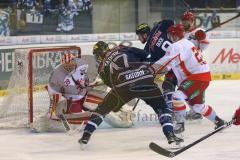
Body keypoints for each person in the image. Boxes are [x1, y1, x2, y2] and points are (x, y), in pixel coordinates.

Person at [78, 41, 183, 149]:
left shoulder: (101, 67)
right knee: (162, 108)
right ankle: (170, 135)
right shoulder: (122, 48)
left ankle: (85, 136)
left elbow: (112, 84)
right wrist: (146, 70)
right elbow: (147, 55)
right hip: (144, 79)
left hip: (122, 86)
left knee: (101, 110)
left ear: (99, 54)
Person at [150, 24, 225, 133]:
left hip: (197, 77)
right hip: (202, 76)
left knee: (177, 96)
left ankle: (180, 125)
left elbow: (166, 61)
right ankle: (219, 121)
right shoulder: (187, 43)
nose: (169, 37)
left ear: (175, 35)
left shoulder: (177, 46)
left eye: (171, 35)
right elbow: (170, 64)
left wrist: (151, 70)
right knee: (198, 107)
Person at [136, 20, 200, 134]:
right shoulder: (160, 26)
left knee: (170, 87)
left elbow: (154, 63)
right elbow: (175, 24)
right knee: (184, 88)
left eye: (139, 36)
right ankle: (195, 109)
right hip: (184, 61)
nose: (139, 38)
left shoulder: (147, 50)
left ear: (144, 34)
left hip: (174, 64)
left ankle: (173, 112)